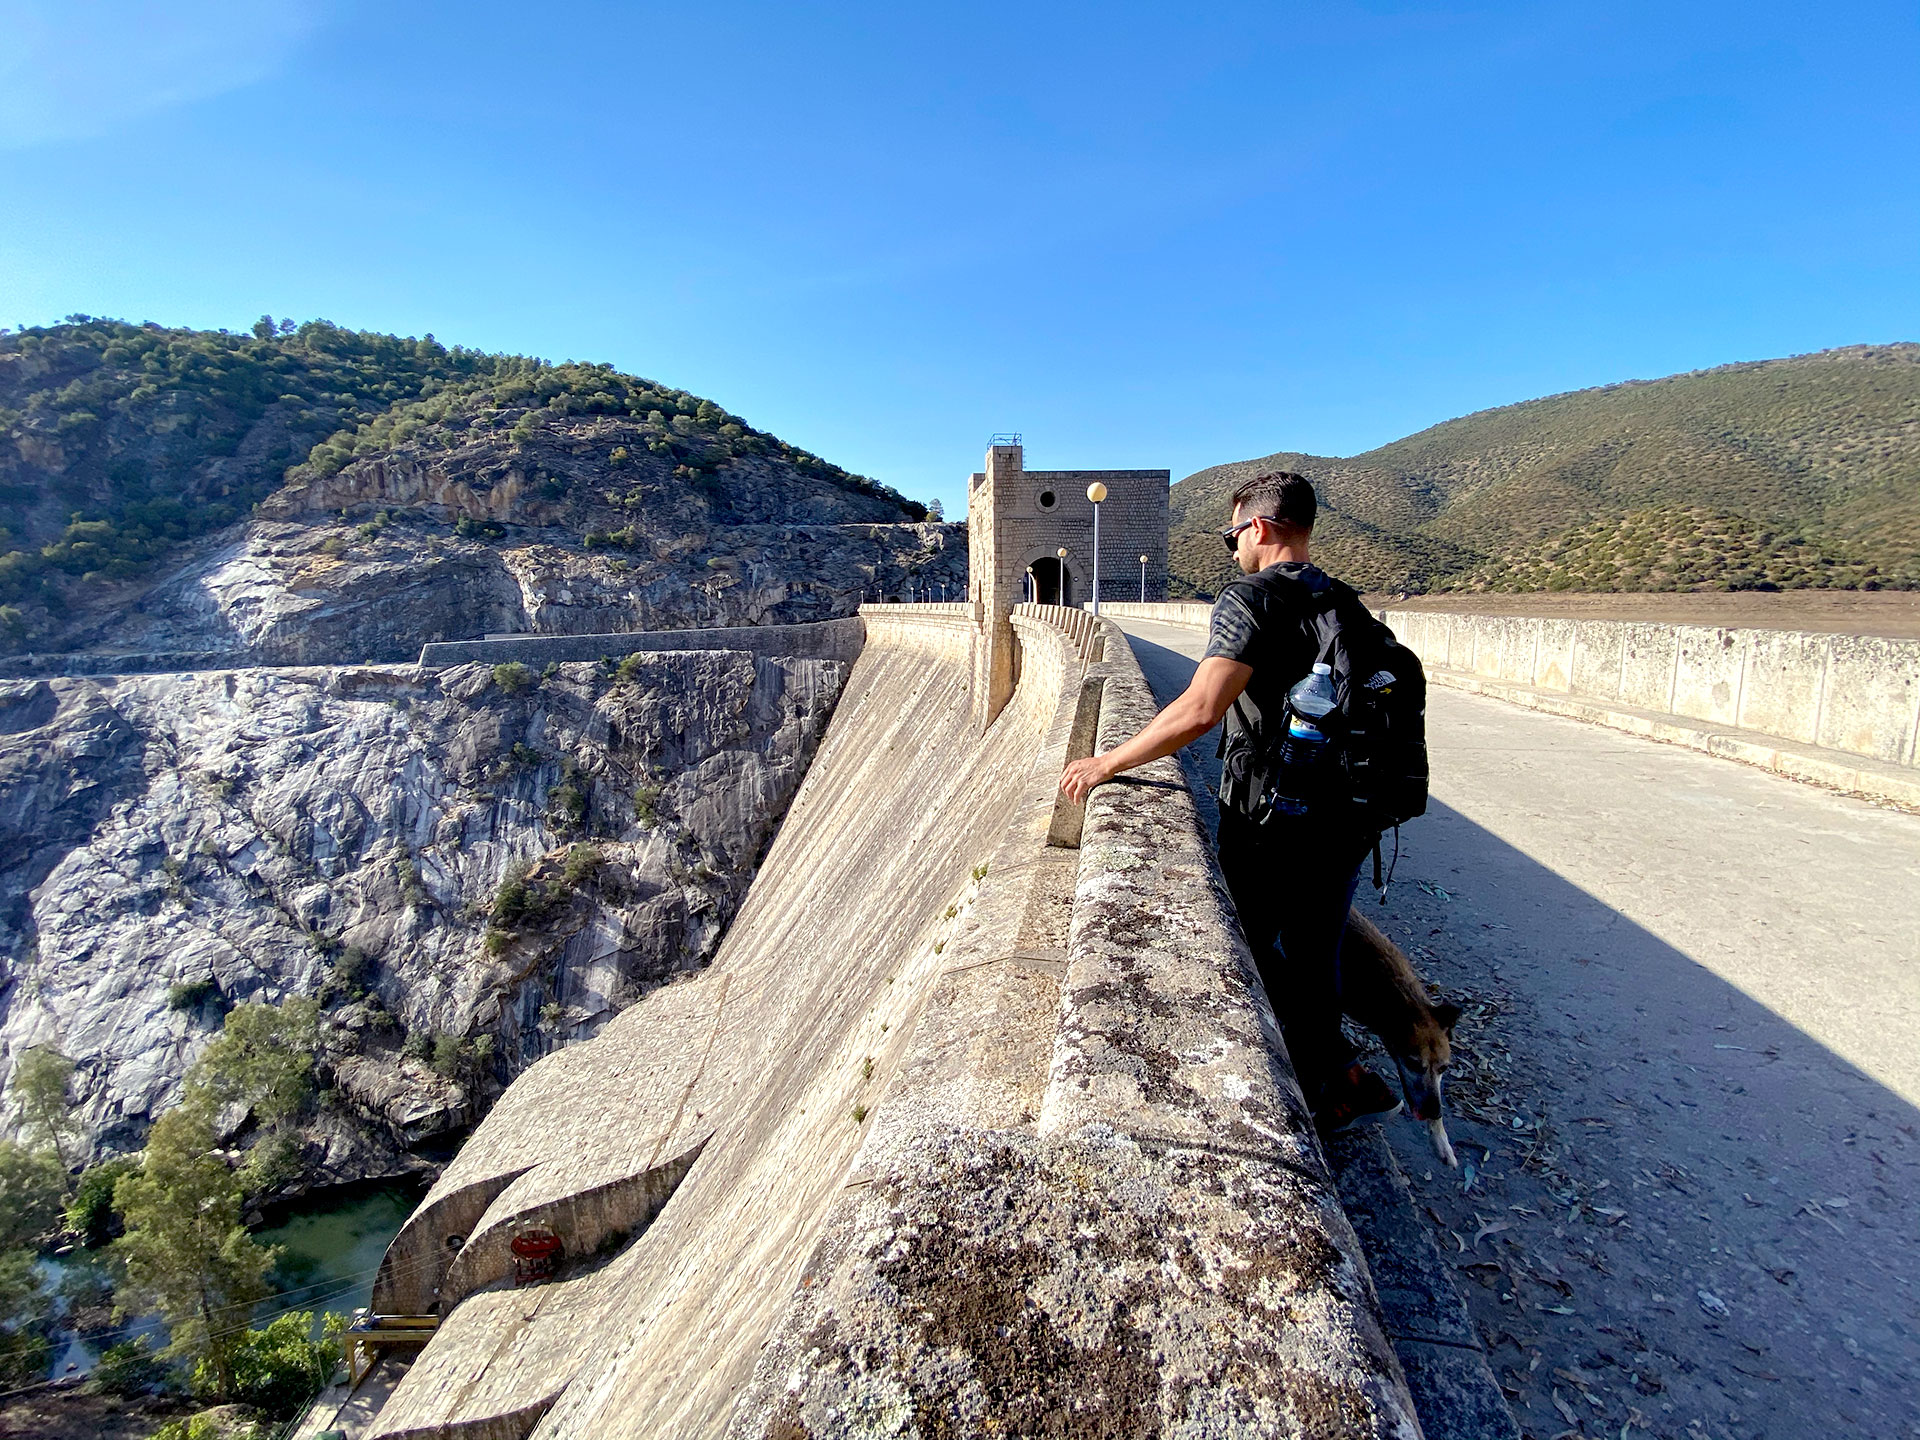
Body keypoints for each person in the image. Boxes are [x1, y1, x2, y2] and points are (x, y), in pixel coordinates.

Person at [1058, 471, 1400, 1134]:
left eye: (1231, 534)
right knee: (1315, 951)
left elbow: (1199, 708)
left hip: (1274, 818)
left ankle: (1307, 1086)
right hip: (1348, 816)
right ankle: (1342, 1079)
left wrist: (1108, 761)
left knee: (1234, 943)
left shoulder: (1251, 598)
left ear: (1261, 529)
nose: (1231, 547)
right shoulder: (1345, 601)